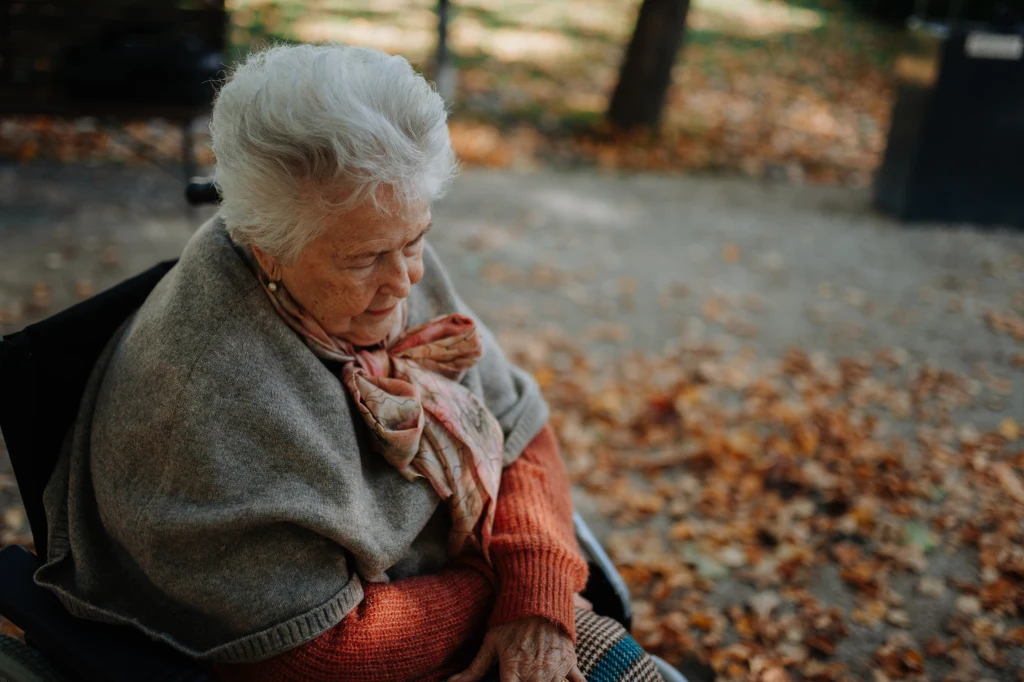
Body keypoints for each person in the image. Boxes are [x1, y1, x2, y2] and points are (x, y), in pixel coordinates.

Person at [34, 42, 663, 682]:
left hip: (466, 588)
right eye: (364, 261)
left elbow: (520, 427)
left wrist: (536, 589)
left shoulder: (378, 225)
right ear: (265, 247)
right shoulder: (210, 395)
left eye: (417, 241)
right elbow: (316, 650)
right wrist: (500, 587)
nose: (404, 282)